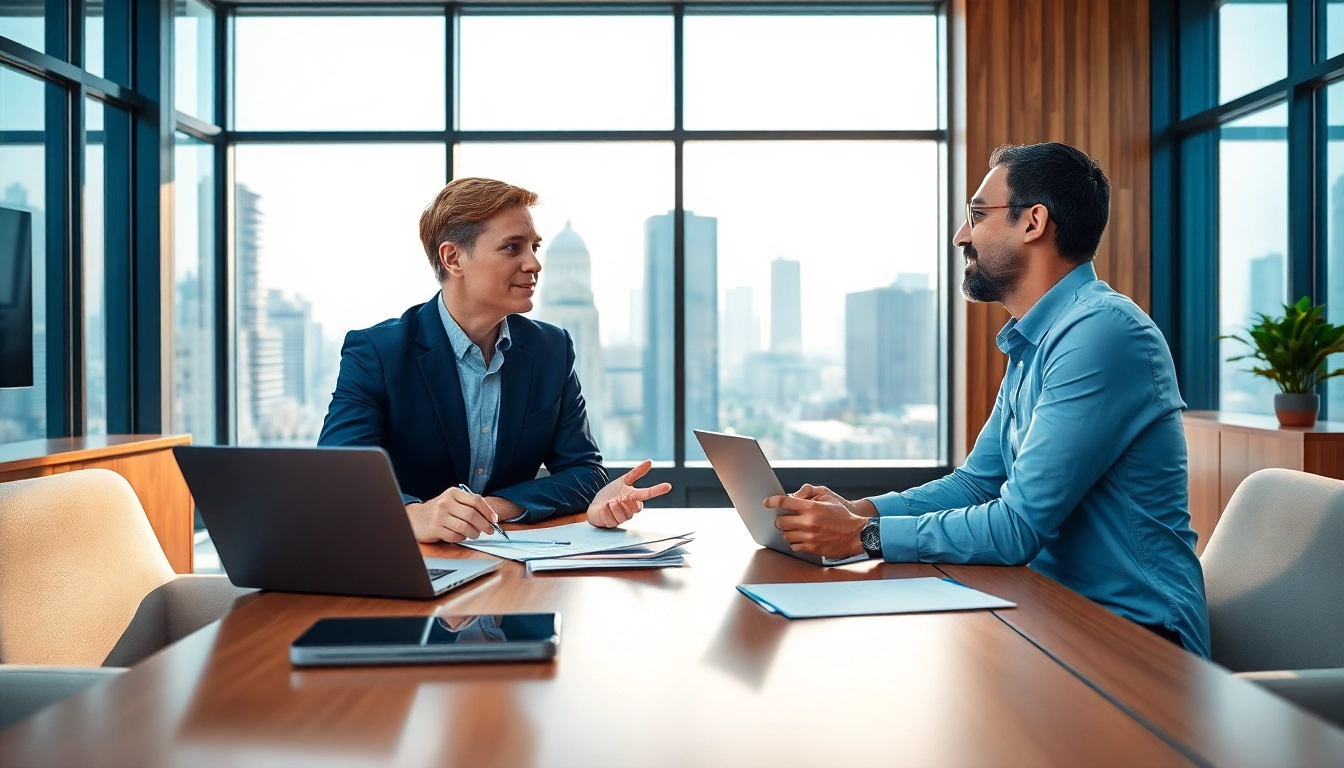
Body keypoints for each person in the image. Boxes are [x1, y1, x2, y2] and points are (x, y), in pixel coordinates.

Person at [764, 143, 1210, 657]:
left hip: (1139, 636)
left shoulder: (1102, 333)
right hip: (1050, 608)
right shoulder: (1036, 339)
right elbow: (977, 484)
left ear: (1033, 222)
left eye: (977, 215)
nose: (961, 236)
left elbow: (1018, 526)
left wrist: (863, 536)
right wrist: (857, 510)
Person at [319, 177, 670, 544]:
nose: (534, 264)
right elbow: (336, 477)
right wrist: (412, 514)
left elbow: (585, 472)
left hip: (511, 559)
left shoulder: (551, 349)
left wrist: (493, 508)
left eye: (534, 247)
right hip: (408, 558)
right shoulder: (377, 352)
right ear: (453, 258)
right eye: (512, 248)